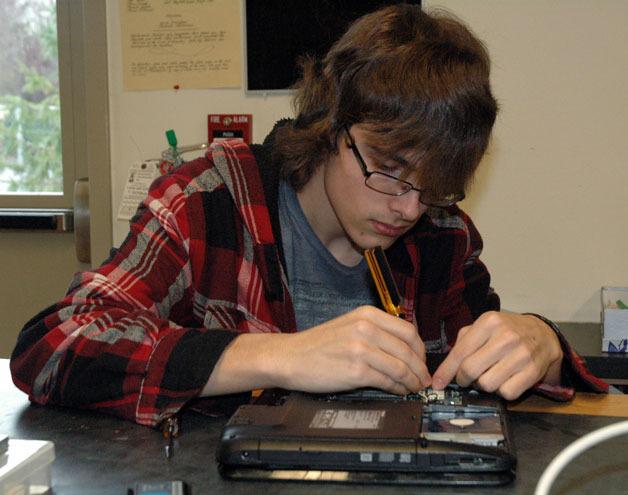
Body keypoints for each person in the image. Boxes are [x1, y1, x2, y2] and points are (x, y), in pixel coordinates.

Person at [10, 4, 606, 428]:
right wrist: (280, 356)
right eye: (389, 168)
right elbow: (53, 345)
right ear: (330, 121)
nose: (407, 207)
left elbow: (491, 357)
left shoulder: (439, 232)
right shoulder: (207, 201)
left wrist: (541, 340)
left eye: (435, 187)